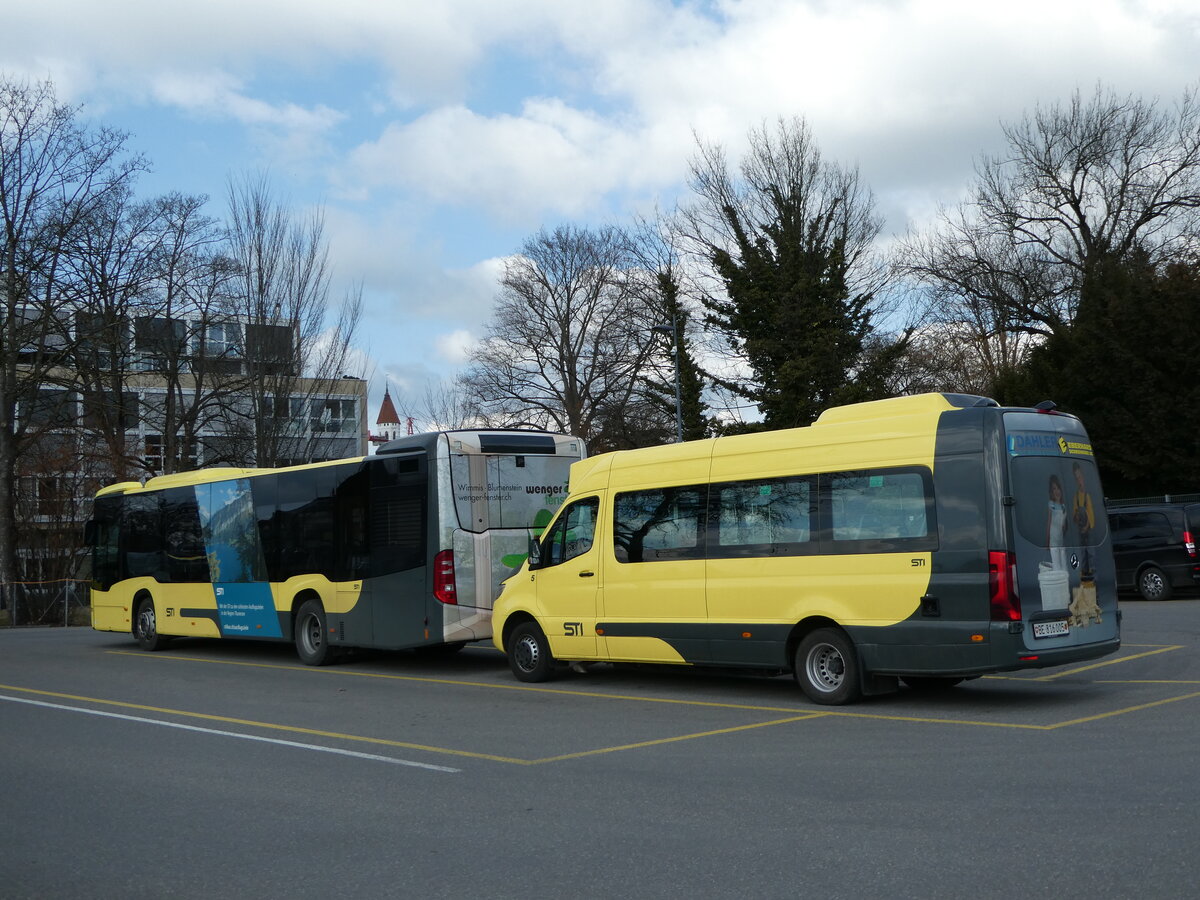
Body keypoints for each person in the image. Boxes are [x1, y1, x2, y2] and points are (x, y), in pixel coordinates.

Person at [1072, 462, 1095, 575]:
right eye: (1076, 478)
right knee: (1082, 553)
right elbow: (1074, 517)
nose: (1079, 480)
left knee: (1091, 553)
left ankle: (1093, 575)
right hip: (1080, 531)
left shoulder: (1089, 495)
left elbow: (1091, 514)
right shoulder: (1076, 497)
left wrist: (1087, 526)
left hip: (1090, 530)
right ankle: (1084, 574)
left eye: (1080, 477)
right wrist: (1077, 517)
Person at [1047, 474, 1068, 571]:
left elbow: (1063, 526)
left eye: (1058, 488)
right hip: (1053, 541)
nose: (1056, 491)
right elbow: (1049, 522)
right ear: (1051, 491)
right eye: (1054, 489)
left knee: (1064, 567)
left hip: (1061, 541)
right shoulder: (1051, 504)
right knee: (1056, 567)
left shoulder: (1063, 506)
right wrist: (1047, 541)